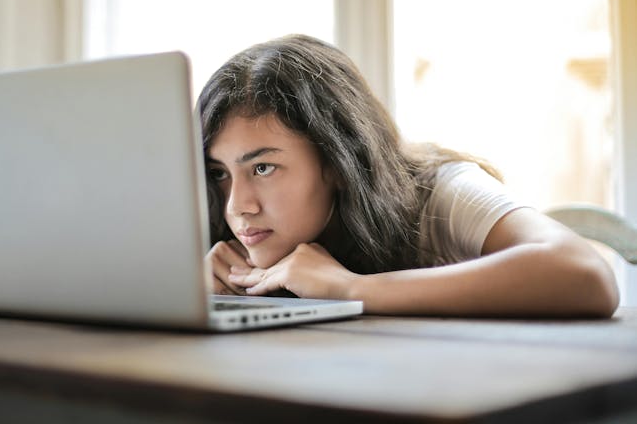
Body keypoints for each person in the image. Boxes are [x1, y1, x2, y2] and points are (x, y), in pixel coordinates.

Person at [198, 34, 619, 318]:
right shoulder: (231, 237)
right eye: (220, 173)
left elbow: (584, 273)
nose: (238, 206)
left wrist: (350, 289)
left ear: (340, 162)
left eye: (263, 168)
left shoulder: (441, 191)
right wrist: (191, 292)